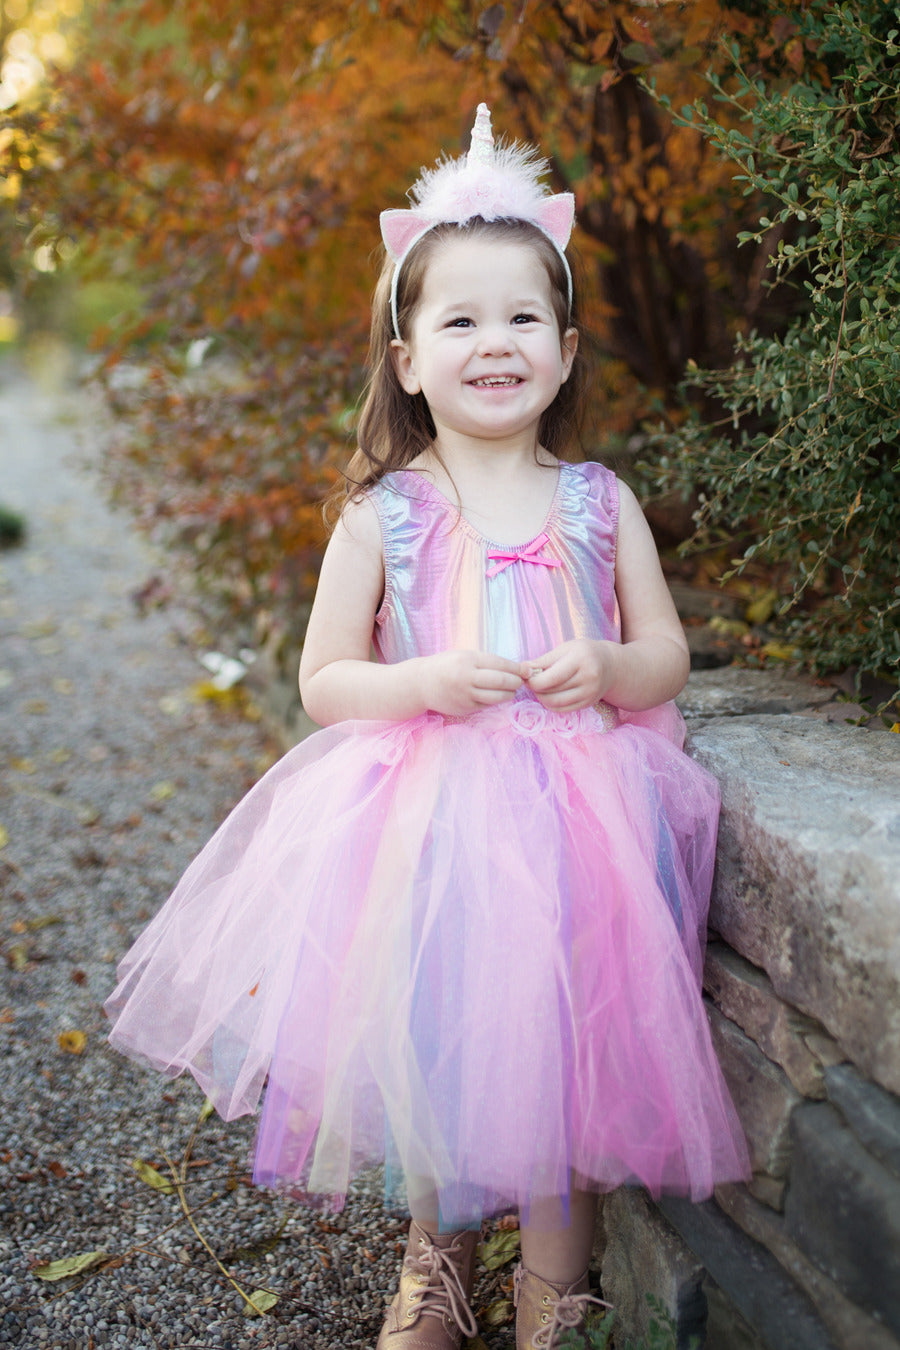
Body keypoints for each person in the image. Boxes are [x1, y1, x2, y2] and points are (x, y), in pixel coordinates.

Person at [106, 105, 749, 1350]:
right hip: (429, 823)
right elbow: (325, 680)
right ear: (408, 359)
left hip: (582, 833)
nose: (493, 342)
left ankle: (555, 1301)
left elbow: (668, 657)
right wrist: (422, 683)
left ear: (564, 351)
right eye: (459, 319)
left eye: (521, 318)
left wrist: (610, 662)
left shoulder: (598, 503)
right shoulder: (386, 513)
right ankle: (435, 1268)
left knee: (562, 1061)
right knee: (443, 1047)